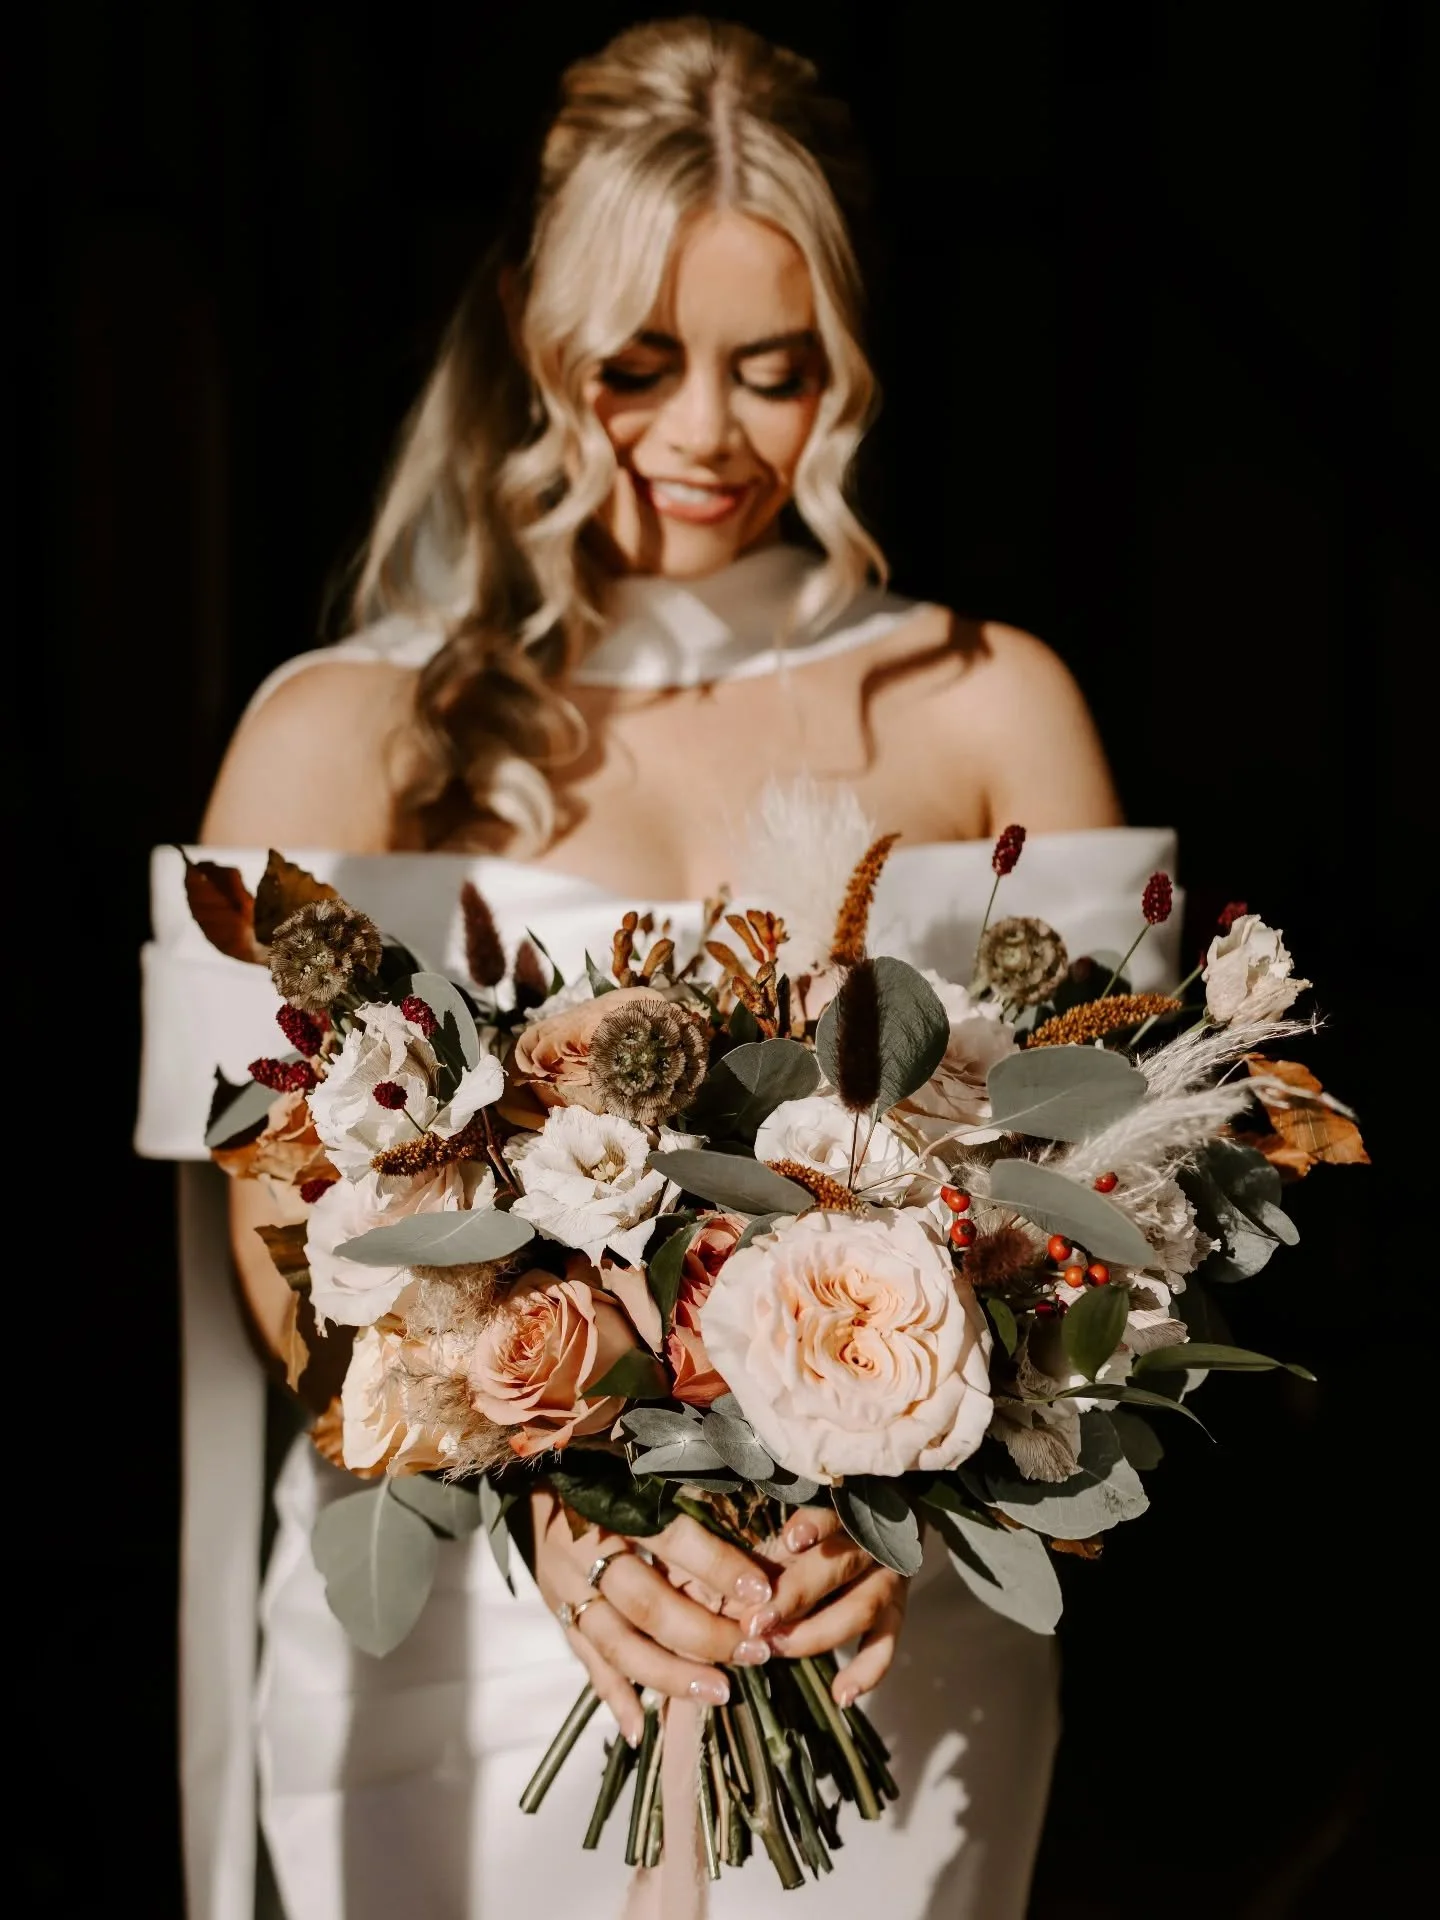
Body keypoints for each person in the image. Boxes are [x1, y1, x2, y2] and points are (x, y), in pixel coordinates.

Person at [139, 17, 1180, 1918]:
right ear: (535, 346)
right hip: (458, 1621)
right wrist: (556, 1502)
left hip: (882, 1631)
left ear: (848, 366)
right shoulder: (340, 735)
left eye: (772, 373)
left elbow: (1119, 1209)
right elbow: (282, 1261)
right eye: (638, 366)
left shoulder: (992, 706)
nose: (705, 434)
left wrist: (913, 1509)